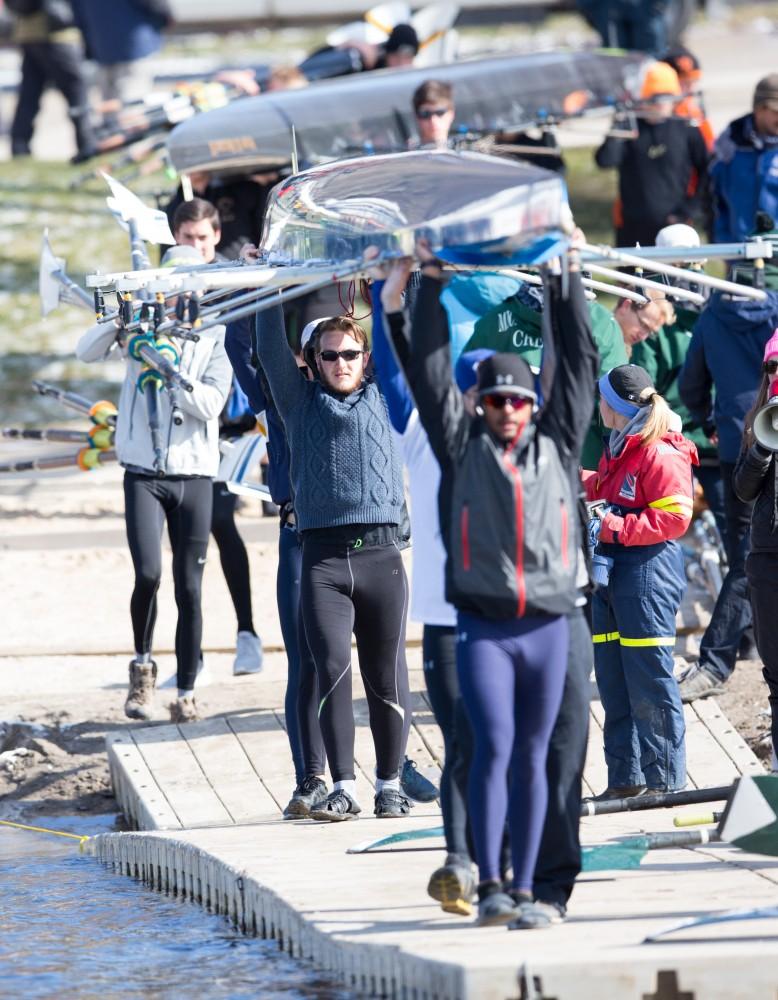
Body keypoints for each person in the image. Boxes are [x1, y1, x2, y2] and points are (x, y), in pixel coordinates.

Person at [387, 237, 597, 929]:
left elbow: (579, 366)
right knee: (489, 752)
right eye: (497, 399)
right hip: (482, 624)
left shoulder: (559, 441)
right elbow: (428, 367)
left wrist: (563, 280)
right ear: (480, 405)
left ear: (533, 405)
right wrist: (428, 282)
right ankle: (494, 884)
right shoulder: (460, 443)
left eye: (518, 399)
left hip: (552, 621)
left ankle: (541, 891)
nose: (508, 409)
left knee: (549, 756)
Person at [256, 306, 413, 822]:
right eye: (330, 356)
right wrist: (266, 288)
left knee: (385, 678)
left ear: (365, 359)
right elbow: (269, 349)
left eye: (350, 354)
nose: (341, 363)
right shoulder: (298, 405)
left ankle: (389, 786)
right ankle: (342, 786)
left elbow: (403, 330)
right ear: (313, 361)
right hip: (323, 561)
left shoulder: (389, 395)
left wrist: (388, 282)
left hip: (382, 557)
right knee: (330, 671)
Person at [75, 244, 232, 723]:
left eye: (185, 286)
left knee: (190, 587)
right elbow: (85, 353)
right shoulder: (139, 329)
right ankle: (141, 670)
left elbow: (212, 403)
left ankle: (185, 689)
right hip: (143, 473)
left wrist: (173, 371)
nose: (174, 296)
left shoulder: (215, 337)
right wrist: (122, 319)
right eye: (167, 287)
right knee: (148, 573)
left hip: (194, 473)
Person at [585, 365, 696, 797]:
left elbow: (674, 517)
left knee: (649, 680)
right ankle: (626, 780)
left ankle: (663, 780)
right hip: (614, 576)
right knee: (614, 681)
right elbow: (613, 489)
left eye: (602, 399)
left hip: (647, 575)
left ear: (616, 407)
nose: (598, 407)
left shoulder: (659, 450)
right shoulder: (622, 444)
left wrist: (611, 526)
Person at [170, 202, 264, 677]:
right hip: (189, 430)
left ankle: (248, 634)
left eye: (203, 238)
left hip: (234, 427)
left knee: (223, 525)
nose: (196, 247)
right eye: (186, 238)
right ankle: (194, 655)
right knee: (187, 542)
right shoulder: (166, 283)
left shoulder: (230, 281)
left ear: (216, 235)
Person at [677, 287, 778, 700]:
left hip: (731, 437)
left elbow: (691, 382)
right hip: (748, 448)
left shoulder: (713, 315)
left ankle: (726, 656)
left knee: (747, 556)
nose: (775, 376)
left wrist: (708, 420)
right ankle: (737, 650)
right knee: (750, 557)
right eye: (772, 368)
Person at [595, 61, 709, 247]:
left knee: (675, 276)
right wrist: (618, 126)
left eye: (667, 97)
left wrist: (687, 211)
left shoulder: (686, 129)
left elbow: (708, 172)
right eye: (654, 98)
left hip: (674, 227)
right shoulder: (630, 129)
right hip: (632, 228)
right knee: (632, 276)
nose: (660, 104)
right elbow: (605, 160)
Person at [733, 331, 778, 769]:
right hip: (767, 561)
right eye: (772, 366)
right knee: (776, 676)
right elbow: (744, 492)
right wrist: (761, 448)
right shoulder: (758, 418)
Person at [8, 0, 96, 162]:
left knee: (29, 95)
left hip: (29, 34)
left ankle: (19, 148)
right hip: (57, 34)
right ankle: (87, 146)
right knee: (76, 91)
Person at [710, 74, 778, 245]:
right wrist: (722, 239)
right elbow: (711, 197)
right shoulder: (729, 144)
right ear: (759, 109)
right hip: (738, 251)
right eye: (776, 112)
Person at [71, 0, 171, 105]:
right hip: (133, 46)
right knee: (131, 107)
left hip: (102, 47)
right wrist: (165, 18)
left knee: (111, 107)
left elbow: (78, 16)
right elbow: (157, 7)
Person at [577, 0, 671, 57]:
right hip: (611, 12)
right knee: (616, 59)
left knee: (651, 58)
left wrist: (658, 6)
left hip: (645, 10)